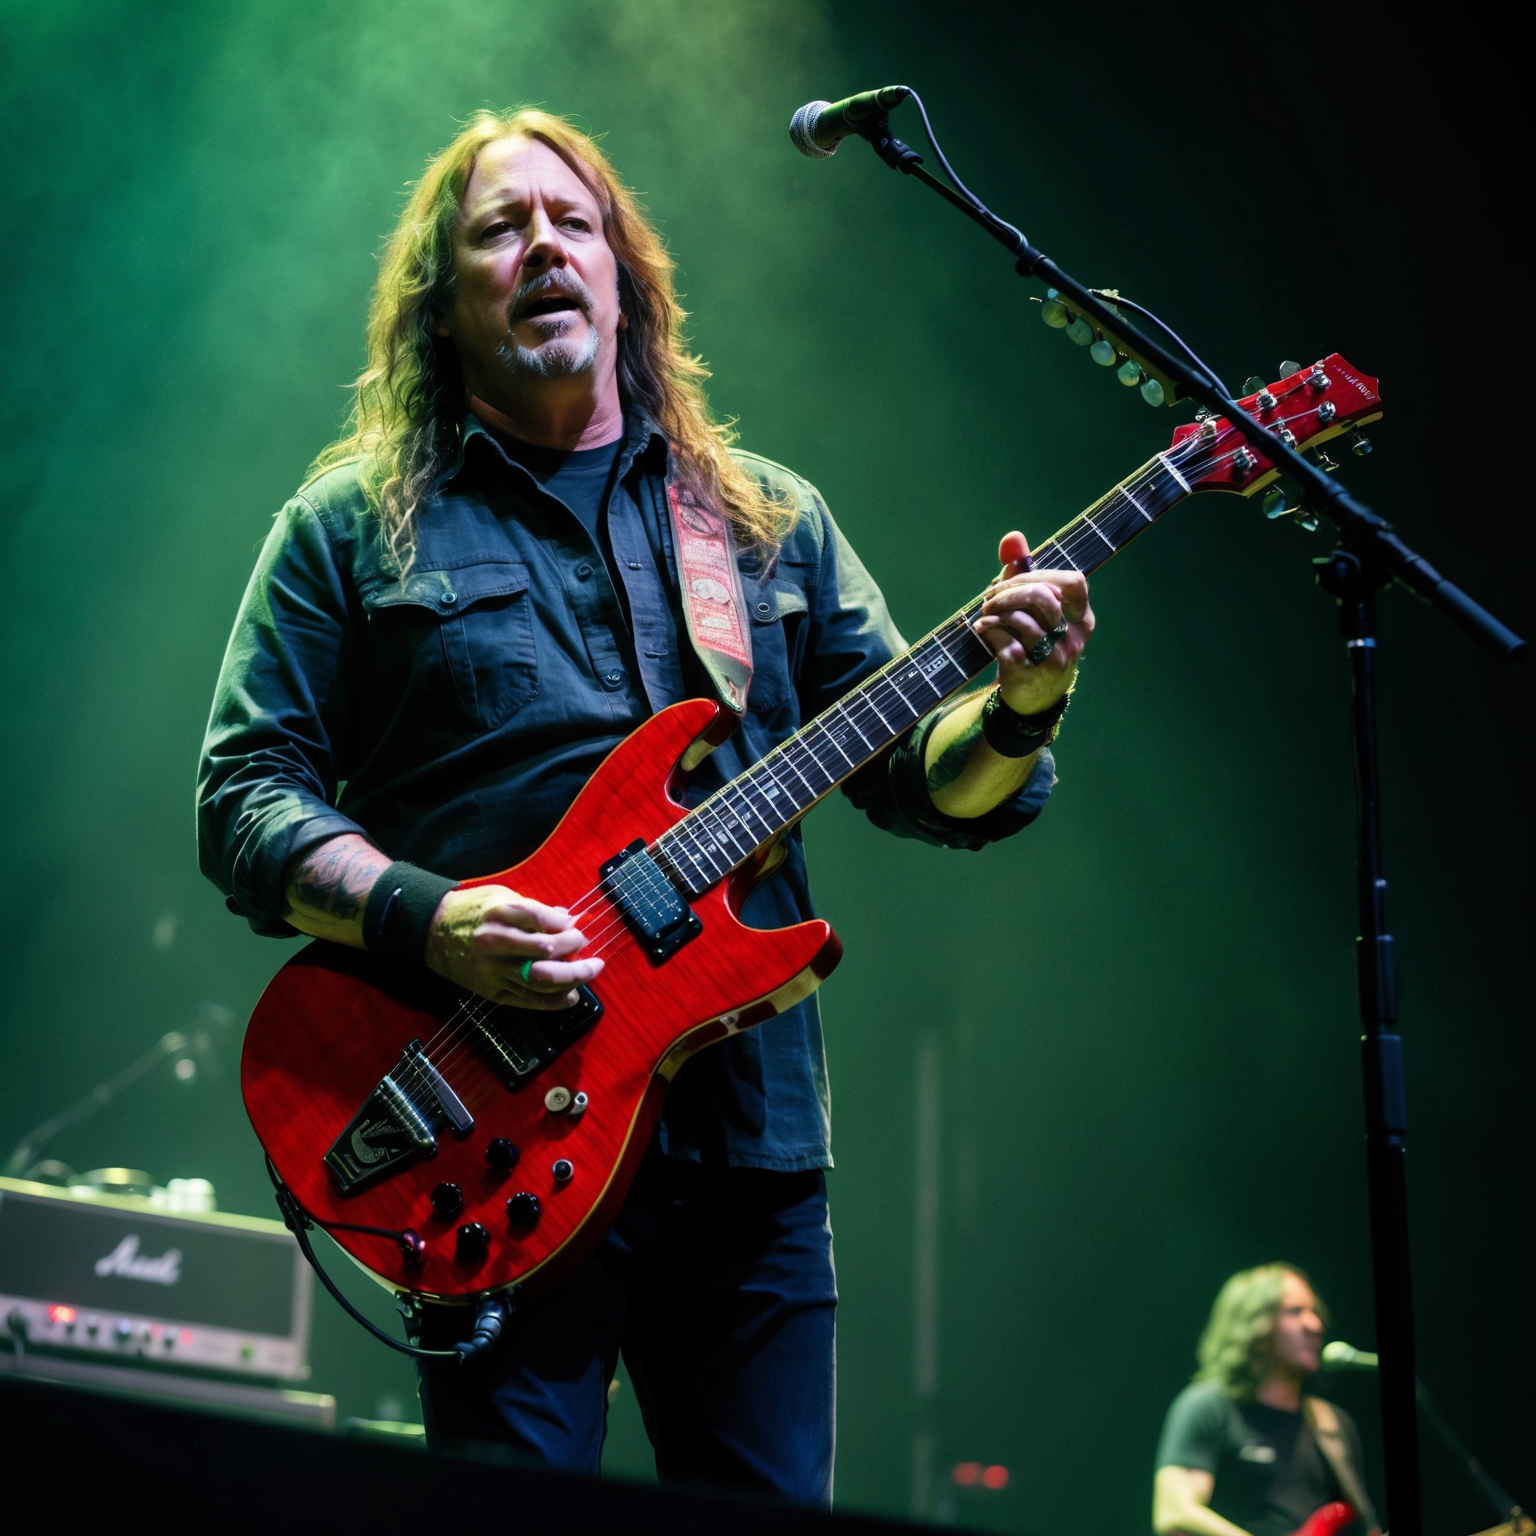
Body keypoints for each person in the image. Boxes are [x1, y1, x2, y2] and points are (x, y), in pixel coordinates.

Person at [198, 108, 1093, 1503]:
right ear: (444, 300)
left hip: (746, 1153)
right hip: (492, 1141)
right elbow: (246, 801)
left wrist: (1024, 703)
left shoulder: (764, 524)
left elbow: (933, 788)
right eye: (500, 228)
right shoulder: (349, 528)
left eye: (573, 221)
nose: (544, 245)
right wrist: (434, 924)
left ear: (627, 276)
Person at [1153, 1264, 1381, 1536]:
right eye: (1295, 1312)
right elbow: (1175, 1514)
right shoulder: (1208, 1407)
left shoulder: (1333, 1424)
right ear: (1254, 1323)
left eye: (1314, 1312)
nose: (1315, 1325)